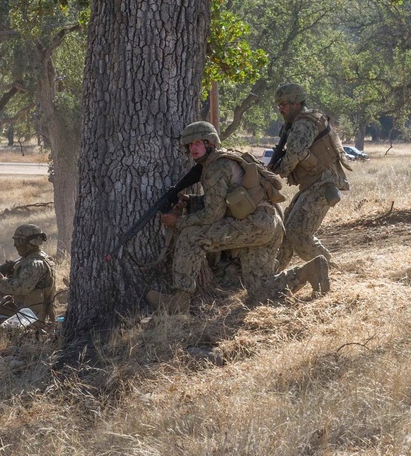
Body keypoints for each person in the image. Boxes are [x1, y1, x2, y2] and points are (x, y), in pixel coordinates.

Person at [145, 121, 329, 314]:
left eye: (198, 143)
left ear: (210, 143)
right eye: (190, 145)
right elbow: (227, 202)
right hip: (269, 224)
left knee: (191, 236)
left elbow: (213, 214)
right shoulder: (229, 158)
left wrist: (179, 222)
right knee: (260, 291)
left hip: (253, 225)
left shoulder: (216, 167)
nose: (193, 148)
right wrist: (191, 202)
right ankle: (310, 271)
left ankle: (179, 301)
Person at [270, 83, 350, 272]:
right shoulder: (301, 122)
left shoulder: (303, 124)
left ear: (296, 103)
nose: (280, 109)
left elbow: (294, 155)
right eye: (278, 105)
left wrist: (277, 170)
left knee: (299, 235)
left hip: (322, 184)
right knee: (287, 230)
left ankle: (331, 272)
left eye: (283, 105)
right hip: (314, 184)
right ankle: (272, 275)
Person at [0, 224, 56, 333]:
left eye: (19, 242)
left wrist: (2, 281)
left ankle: (31, 332)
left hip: (31, 312)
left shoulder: (34, 263)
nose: (15, 245)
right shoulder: (31, 259)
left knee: (5, 328)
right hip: (23, 307)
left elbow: (22, 288)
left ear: (30, 243)